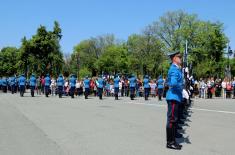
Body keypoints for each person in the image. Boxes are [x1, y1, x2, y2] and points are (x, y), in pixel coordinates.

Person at [166, 51, 183, 150]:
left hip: (175, 97)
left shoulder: (176, 69)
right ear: (174, 59)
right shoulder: (173, 69)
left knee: (174, 119)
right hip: (173, 97)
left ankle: (172, 140)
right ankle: (170, 142)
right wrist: (181, 87)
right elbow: (173, 83)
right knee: (172, 120)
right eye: (179, 57)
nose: (180, 58)